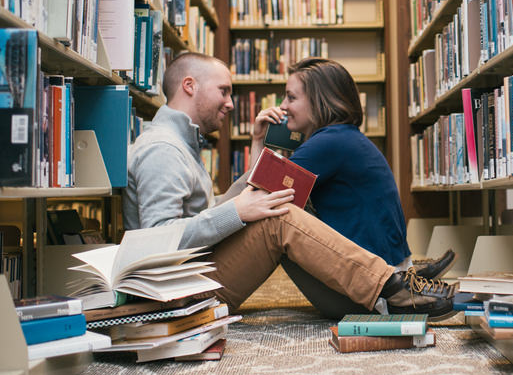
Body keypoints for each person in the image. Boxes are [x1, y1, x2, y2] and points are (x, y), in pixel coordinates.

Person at [123, 52, 455, 320]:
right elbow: (158, 240)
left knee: (276, 206)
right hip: (176, 297)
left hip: (193, 279)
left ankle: (391, 282)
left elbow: (222, 208)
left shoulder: (181, 147)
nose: (230, 103)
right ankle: (392, 287)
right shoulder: (163, 150)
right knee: (278, 214)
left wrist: (255, 154)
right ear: (190, 85)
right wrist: (237, 211)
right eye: (224, 91)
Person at [252, 58, 455, 316]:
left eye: (291, 98)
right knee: (281, 203)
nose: (282, 106)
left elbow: (257, 197)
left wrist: (258, 139)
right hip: (383, 271)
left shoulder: (327, 143)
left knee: (273, 217)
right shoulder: (344, 137)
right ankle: (407, 275)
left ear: (318, 101)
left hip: (365, 294)